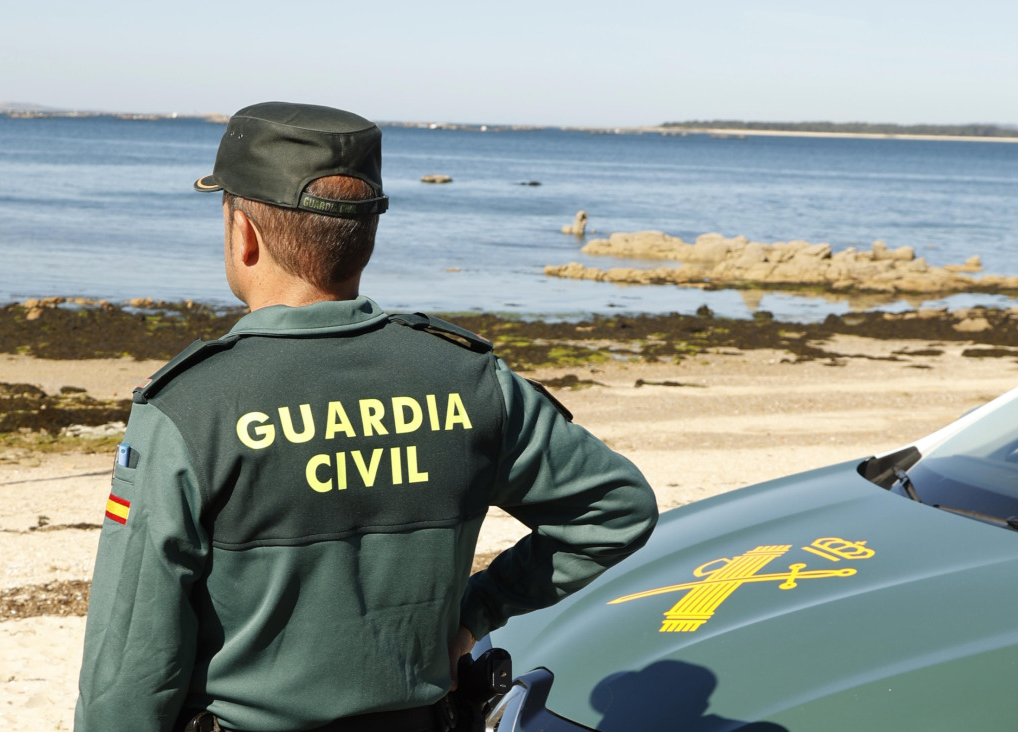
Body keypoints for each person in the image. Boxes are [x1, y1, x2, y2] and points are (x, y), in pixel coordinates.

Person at [74, 101, 657, 732]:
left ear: (243, 232)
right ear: (366, 235)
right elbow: (615, 510)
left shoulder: (191, 408)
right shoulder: (470, 379)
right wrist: (476, 612)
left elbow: (130, 665)